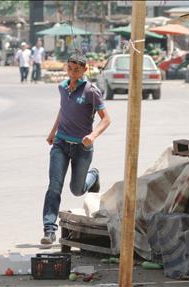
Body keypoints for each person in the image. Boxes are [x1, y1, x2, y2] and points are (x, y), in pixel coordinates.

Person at [41, 52, 111, 245]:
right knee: (54, 186)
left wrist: (93, 136)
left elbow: (106, 119)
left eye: (77, 70)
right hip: (61, 144)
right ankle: (49, 229)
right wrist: (52, 132)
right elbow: (63, 111)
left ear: (84, 70)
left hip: (82, 146)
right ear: (66, 68)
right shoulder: (62, 88)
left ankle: (93, 175)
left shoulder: (91, 91)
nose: (73, 73)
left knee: (77, 190)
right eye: (70, 69)